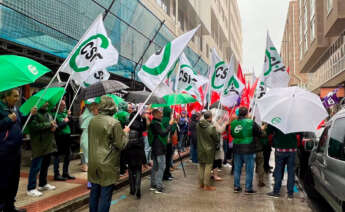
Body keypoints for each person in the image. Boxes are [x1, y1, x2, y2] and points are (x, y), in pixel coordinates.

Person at [88, 96, 129, 212]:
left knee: (94, 193)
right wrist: (125, 134)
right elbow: (121, 144)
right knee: (105, 196)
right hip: (107, 164)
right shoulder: (114, 123)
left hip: (93, 162)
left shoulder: (93, 120)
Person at [0, 88, 36, 212]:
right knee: (3, 180)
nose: (17, 99)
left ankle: (10, 206)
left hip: (16, 150)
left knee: (14, 179)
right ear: (6, 96)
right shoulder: (1, 108)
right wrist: (8, 120)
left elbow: (22, 121)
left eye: (18, 96)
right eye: (15, 96)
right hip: (4, 151)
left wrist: (31, 115)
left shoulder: (16, 108)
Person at [27, 102, 57, 197]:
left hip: (48, 144)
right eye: (45, 102)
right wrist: (49, 124)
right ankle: (31, 188)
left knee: (45, 165)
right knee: (36, 166)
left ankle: (43, 184)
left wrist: (54, 127)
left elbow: (52, 124)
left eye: (48, 102)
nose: (47, 103)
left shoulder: (48, 113)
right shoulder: (34, 114)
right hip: (39, 144)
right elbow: (34, 127)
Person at [230, 107, 262, 194]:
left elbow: (232, 134)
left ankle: (236, 187)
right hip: (248, 149)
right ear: (247, 114)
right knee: (249, 169)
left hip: (237, 148)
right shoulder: (251, 122)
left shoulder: (233, 123)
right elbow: (259, 133)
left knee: (237, 169)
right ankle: (248, 188)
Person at [266, 125, 301, 199]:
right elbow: (300, 133)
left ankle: (276, 191)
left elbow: (268, 132)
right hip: (292, 150)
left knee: (278, 170)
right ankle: (290, 193)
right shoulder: (295, 120)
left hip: (280, 149)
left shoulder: (277, 119)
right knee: (291, 171)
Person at [148, 108, 174, 194]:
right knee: (161, 167)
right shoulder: (155, 124)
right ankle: (158, 186)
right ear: (155, 114)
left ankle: (153, 185)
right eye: (160, 113)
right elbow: (163, 133)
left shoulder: (156, 123)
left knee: (155, 167)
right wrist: (170, 125)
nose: (162, 114)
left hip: (156, 147)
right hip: (159, 148)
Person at [125, 111, 147, 199]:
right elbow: (145, 128)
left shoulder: (127, 123)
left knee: (130, 170)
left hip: (129, 149)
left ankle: (132, 189)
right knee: (138, 170)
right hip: (138, 150)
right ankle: (138, 189)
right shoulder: (141, 125)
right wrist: (144, 118)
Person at [197, 111, 219, 191]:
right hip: (209, 149)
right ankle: (206, 185)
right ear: (210, 117)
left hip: (200, 148)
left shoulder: (198, 125)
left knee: (201, 166)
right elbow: (216, 139)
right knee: (208, 166)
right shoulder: (211, 127)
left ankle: (201, 184)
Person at [53, 100, 75, 181]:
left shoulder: (64, 114)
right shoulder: (55, 115)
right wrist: (65, 121)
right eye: (62, 105)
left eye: (65, 105)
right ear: (57, 106)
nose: (64, 107)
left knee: (68, 155)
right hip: (59, 137)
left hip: (67, 137)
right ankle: (56, 174)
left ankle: (65, 172)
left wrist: (69, 116)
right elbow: (57, 127)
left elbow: (72, 123)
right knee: (57, 156)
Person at [79, 101, 98, 174]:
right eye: (97, 109)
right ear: (92, 109)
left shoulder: (90, 117)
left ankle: (92, 182)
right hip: (88, 142)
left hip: (89, 141)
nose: (99, 110)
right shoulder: (90, 118)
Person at [212, 114, 227, 181]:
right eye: (221, 119)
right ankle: (215, 176)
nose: (222, 121)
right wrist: (225, 124)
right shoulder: (215, 124)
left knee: (216, 160)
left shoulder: (215, 123)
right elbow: (220, 130)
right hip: (215, 145)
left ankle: (214, 174)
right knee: (216, 160)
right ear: (217, 119)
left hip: (216, 145)